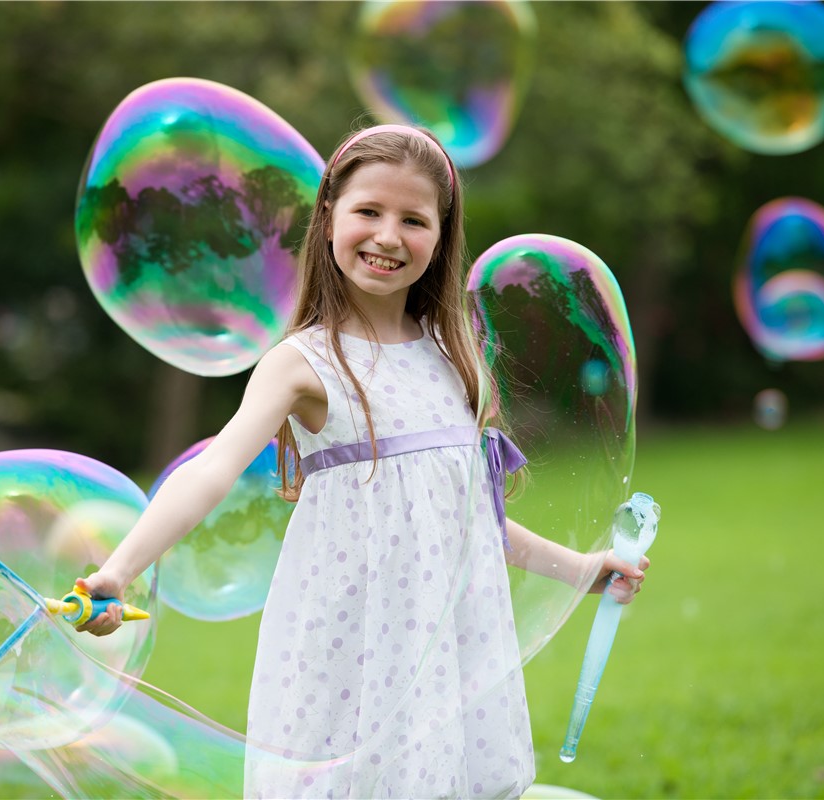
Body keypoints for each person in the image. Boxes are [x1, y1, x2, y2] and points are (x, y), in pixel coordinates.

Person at [75, 123, 650, 799]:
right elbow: (211, 470)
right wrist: (119, 570)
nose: (387, 236)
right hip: (351, 640)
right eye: (368, 212)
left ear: (440, 237)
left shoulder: (453, 360)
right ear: (328, 219)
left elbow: (464, 516)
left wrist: (580, 569)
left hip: (445, 636)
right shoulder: (302, 362)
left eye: (413, 219)